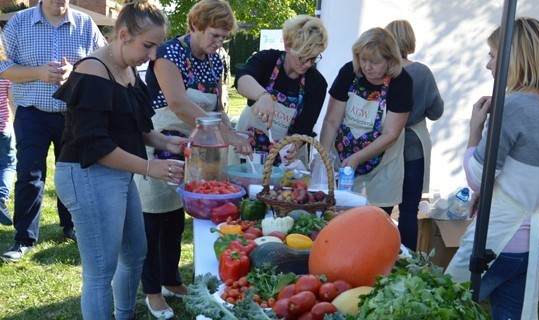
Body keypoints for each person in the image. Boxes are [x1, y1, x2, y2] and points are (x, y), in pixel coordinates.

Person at [52, 3, 184, 319]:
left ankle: (124, 314)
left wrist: (166, 141)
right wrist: (150, 167)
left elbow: (137, 127)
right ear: (123, 34)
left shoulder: (128, 69)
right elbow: (96, 145)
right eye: (148, 45)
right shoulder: (92, 70)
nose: (152, 56)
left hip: (118, 172)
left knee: (135, 253)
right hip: (85, 174)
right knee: (100, 270)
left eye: (157, 46)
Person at [444, 18, 539, 320]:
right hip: (533, 243)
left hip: (498, 241)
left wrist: (474, 130)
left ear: (512, 57)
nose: (488, 65)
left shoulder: (511, 107)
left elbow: (478, 180)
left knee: (442, 306)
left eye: (492, 55)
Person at [136, 0, 246, 317]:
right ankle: (153, 291)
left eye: (224, 38)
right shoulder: (168, 52)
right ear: (195, 25)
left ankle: (172, 280)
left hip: (196, 145)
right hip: (161, 139)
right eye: (214, 35)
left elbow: (216, 109)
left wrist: (233, 132)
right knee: (153, 217)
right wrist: (226, 135)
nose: (218, 43)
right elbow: (179, 104)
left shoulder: (214, 60)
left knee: (175, 219)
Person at [0, 0, 107, 262]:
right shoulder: (19, 22)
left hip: (73, 113)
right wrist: (39, 72)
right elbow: (3, 67)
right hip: (31, 112)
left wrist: (77, 73)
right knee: (29, 174)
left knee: (73, 174)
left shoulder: (85, 24)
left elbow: (105, 61)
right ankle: (24, 238)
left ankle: (72, 227)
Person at [319, 27, 412, 211]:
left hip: (382, 169)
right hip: (342, 162)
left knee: (374, 224)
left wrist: (357, 158)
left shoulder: (401, 82)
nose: (367, 67)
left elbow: (390, 134)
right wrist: (323, 158)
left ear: (390, 60)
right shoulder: (348, 72)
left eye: (375, 62)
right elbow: (331, 121)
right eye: (363, 60)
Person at [234, 14, 328, 166]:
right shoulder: (267, 59)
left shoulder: (317, 83)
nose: (307, 64)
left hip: (285, 155)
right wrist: (262, 96)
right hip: (247, 148)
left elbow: (305, 126)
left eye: (313, 58)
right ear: (287, 46)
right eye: (302, 57)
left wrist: (295, 145)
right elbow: (242, 79)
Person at [384, 20, 444, 251]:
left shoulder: (382, 71)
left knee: (382, 207)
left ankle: (378, 256)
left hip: (384, 145)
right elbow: (436, 112)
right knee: (409, 209)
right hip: (412, 147)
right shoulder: (421, 72)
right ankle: (406, 262)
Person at [0, 31, 16, 226]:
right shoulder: (6, 71)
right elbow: (13, 101)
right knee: (8, 164)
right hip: (3, 127)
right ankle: (1, 196)